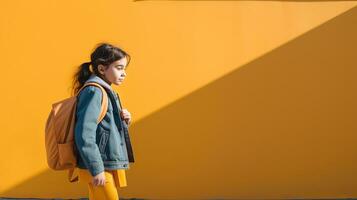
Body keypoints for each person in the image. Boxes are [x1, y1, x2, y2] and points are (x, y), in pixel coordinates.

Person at [72, 42, 132, 200]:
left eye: (124, 68)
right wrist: (96, 168)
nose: (124, 73)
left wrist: (124, 120)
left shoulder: (107, 91)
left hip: (103, 162)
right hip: (98, 164)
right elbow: (84, 133)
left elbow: (105, 128)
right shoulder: (94, 91)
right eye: (119, 68)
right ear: (102, 69)